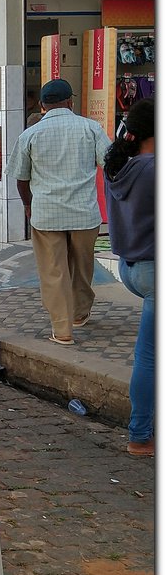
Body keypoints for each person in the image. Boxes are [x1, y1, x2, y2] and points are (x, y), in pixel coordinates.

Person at [5, 78, 112, 345]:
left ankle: (62, 330)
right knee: (83, 266)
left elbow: (20, 179)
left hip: (47, 214)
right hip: (84, 214)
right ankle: (80, 311)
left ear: (42, 105)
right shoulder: (91, 128)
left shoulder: (30, 134)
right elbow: (110, 164)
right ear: (70, 102)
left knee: (54, 272)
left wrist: (28, 205)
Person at [103, 98, 155, 457]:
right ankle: (139, 435)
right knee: (149, 357)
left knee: (148, 355)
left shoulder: (120, 167)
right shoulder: (153, 169)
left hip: (132, 268)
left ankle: (142, 434)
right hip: (154, 268)